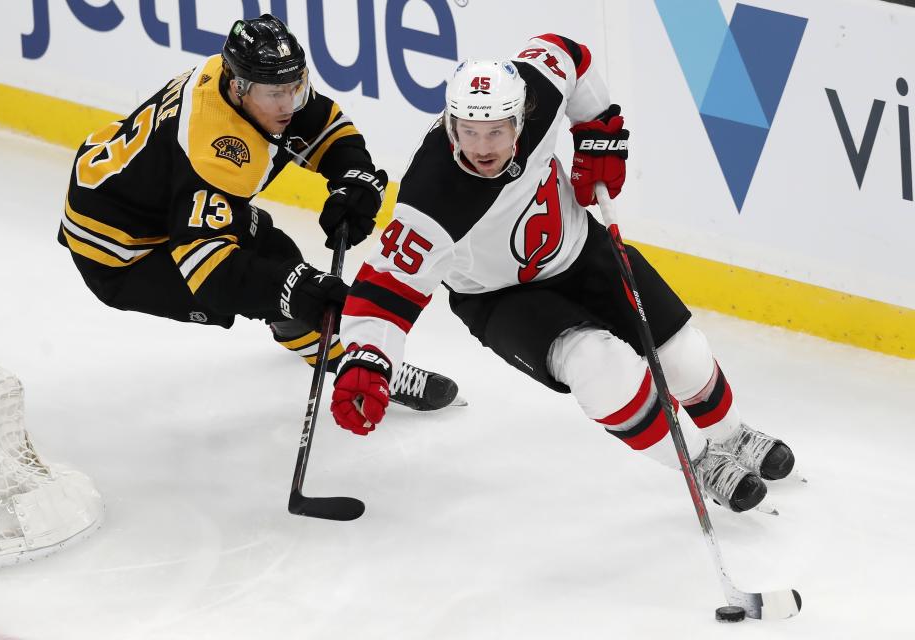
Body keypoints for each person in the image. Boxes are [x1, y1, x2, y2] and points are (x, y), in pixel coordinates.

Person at [329, 34, 796, 512]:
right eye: (469, 131)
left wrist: (598, 129)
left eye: (496, 131)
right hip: (500, 298)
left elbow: (569, 53)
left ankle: (732, 435)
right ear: (451, 125)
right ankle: (699, 463)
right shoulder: (431, 199)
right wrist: (367, 360)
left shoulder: (539, 87)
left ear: (520, 118)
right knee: (601, 367)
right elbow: (383, 293)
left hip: (580, 249)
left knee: (684, 354)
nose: (482, 147)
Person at [58, 14, 458, 411]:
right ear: (239, 88)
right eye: (276, 94)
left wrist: (352, 175)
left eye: (295, 86)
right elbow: (211, 274)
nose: (289, 103)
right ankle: (344, 358)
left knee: (278, 256)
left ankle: (308, 338)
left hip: (143, 191)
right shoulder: (216, 151)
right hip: (122, 254)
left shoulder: (250, 80)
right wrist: (298, 293)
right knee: (273, 282)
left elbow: (322, 124)